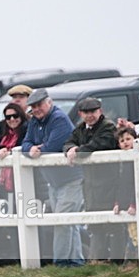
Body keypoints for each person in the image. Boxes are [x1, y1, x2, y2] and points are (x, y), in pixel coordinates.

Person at [22, 88, 84, 267]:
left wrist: (38, 148)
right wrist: (31, 149)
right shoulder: (34, 121)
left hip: (71, 179)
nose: (36, 109)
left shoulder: (59, 119)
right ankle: (76, 261)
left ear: (49, 103)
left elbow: (53, 146)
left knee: (62, 221)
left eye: (39, 105)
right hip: (54, 181)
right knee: (68, 222)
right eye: (33, 106)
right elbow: (25, 143)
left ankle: (61, 263)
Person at [64, 97, 122, 263]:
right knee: (95, 224)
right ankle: (97, 260)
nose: (89, 115)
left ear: (100, 111)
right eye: (86, 112)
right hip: (91, 184)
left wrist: (77, 151)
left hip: (110, 183)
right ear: (80, 114)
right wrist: (70, 149)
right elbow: (68, 142)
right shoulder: (81, 128)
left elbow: (99, 144)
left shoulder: (108, 126)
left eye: (93, 111)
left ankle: (117, 261)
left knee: (114, 224)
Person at [0, 103, 28, 211]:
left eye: (15, 116)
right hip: (5, 181)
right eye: (8, 117)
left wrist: (9, 153)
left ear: (21, 116)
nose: (12, 119)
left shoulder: (27, 129)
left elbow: (24, 149)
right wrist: (1, 150)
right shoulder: (4, 131)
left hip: (24, 179)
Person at [112, 127, 137, 264]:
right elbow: (120, 185)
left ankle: (135, 261)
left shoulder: (135, 160)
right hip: (125, 204)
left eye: (128, 139)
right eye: (122, 141)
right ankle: (130, 262)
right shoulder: (121, 161)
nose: (125, 142)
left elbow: (136, 184)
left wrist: (134, 203)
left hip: (134, 204)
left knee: (135, 234)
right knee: (129, 233)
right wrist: (117, 203)